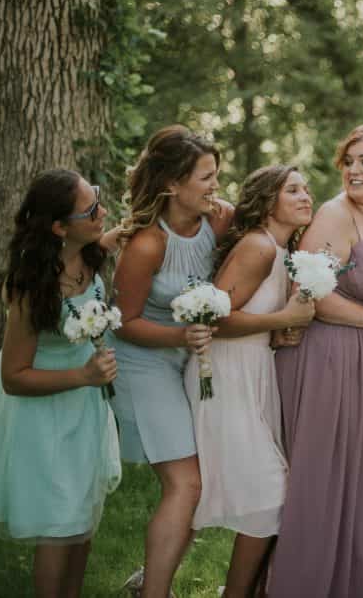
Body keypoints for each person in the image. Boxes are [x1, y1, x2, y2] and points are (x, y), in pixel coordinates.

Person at [270, 120, 363, 598]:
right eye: (348, 162)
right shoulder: (334, 215)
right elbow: (310, 295)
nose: (353, 171)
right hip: (327, 356)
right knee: (323, 478)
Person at [0, 170, 121, 598]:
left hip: (84, 406)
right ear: (59, 227)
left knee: (83, 520)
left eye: (98, 200)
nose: (103, 212)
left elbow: (108, 240)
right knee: (60, 523)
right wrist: (83, 376)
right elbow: (14, 377)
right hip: (42, 409)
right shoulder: (30, 284)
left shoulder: (88, 253)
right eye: (92, 209)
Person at [111, 125, 233, 597]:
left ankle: (151, 577)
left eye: (215, 175)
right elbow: (124, 322)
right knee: (186, 484)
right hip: (143, 362)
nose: (215, 186)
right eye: (205, 177)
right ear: (171, 185)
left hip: (189, 358)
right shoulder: (147, 245)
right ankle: (154, 592)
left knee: (203, 478)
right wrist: (182, 335)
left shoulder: (218, 220)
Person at [185, 165, 315, 596]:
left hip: (253, 370)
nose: (305, 196)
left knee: (267, 494)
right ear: (267, 200)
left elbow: (250, 317)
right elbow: (215, 320)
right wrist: (283, 318)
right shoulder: (258, 246)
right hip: (223, 373)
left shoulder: (278, 250)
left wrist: (277, 331)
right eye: (292, 189)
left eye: (306, 189)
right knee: (269, 495)